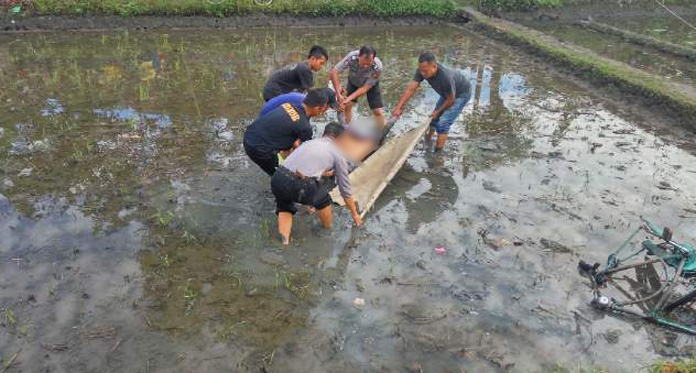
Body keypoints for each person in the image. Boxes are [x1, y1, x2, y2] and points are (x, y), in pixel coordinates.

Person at [271, 122, 361, 245]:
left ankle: (284, 243)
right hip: (298, 184)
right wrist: (355, 214)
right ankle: (328, 230)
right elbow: (344, 188)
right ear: (340, 137)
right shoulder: (337, 154)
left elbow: (306, 166)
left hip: (278, 177)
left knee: (284, 207)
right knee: (324, 200)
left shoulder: (309, 143)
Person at [392, 52, 471, 151]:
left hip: (461, 93)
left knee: (443, 122)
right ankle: (428, 140)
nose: (422, 74)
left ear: (434, 67)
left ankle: (437, 154)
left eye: (425, 71)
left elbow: (451, 100)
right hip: (447, 93)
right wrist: (398, 107)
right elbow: (411, 89)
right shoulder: (422, 70)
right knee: (433, 119)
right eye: (421, 71)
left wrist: (438, 112)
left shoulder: (445, 77)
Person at [243, 89, 329, 176]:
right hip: (258, 149)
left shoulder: (289, 105)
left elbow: (293, 141)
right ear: (318, 108)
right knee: (284, 177)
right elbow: (306, 155)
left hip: (249, 135)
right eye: (323, 109)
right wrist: (319, 171)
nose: (322, 113)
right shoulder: (305, 127)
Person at [330, 46, 385, 129]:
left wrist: (348, 98)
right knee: (347, 106)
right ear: (359, 56)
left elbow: (365, 88)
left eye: (368, 64)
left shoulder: (378, 66)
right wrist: (338, 94)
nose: (365, 66)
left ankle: (382, 132)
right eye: (363, 63)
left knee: (377, 111)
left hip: (369, 84)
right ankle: (346, 129)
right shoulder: (351, 57)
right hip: (354, 80)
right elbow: (334, 72)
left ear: (373, 59)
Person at [262, 45, 329, 102]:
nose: (321, 67)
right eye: (321, 63)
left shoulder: (303, 66)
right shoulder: (305, 69)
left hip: (271, 90)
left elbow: (304, 92)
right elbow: (313, 93)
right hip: (273, 92)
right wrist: (328, 96)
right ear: (313, 58)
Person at [258, 88, 338, 118]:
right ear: (324, 103)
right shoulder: (302, 103)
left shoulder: (307, 100)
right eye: (328, 107)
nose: (326, 110)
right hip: (265, 117)